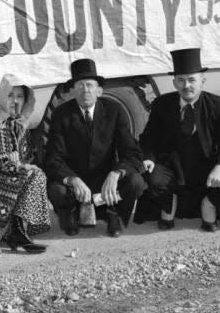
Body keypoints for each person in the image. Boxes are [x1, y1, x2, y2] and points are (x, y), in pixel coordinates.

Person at [137, 48, 220, 232]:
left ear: (202, 81)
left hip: (207, 169)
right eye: (181, 80)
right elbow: (148, 138)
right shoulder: (161, 105)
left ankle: (208, 204)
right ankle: (168, 204)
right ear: (174, 83)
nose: (186, 85)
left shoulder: (219, 106)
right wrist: (148, 157)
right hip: (173, 169)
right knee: (148, 175)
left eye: (191, 80)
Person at [44, 59, 146, 237]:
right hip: (76, 182)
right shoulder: (61, 115)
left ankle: (114, 214)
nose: (85, 90)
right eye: (80, 85)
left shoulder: (115, 110)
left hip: (106, 179)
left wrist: (116, 174)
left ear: (99, 90)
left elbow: (132, 153)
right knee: (56, 189)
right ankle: (70, 215)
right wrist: (72, 180)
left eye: (90, 85)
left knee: (135, 182)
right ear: (73, 90)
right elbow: (53, 157)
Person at [0, 75, 50, 253]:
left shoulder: (19, 125)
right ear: (2, 97)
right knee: (35, 175)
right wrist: (21, 167)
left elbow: (27, 156)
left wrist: (22, 165)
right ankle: (16, 232)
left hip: (9, 175)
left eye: (20, 96)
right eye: (11, 96)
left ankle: (19, 230)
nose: (15, 101)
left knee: (35, 173)